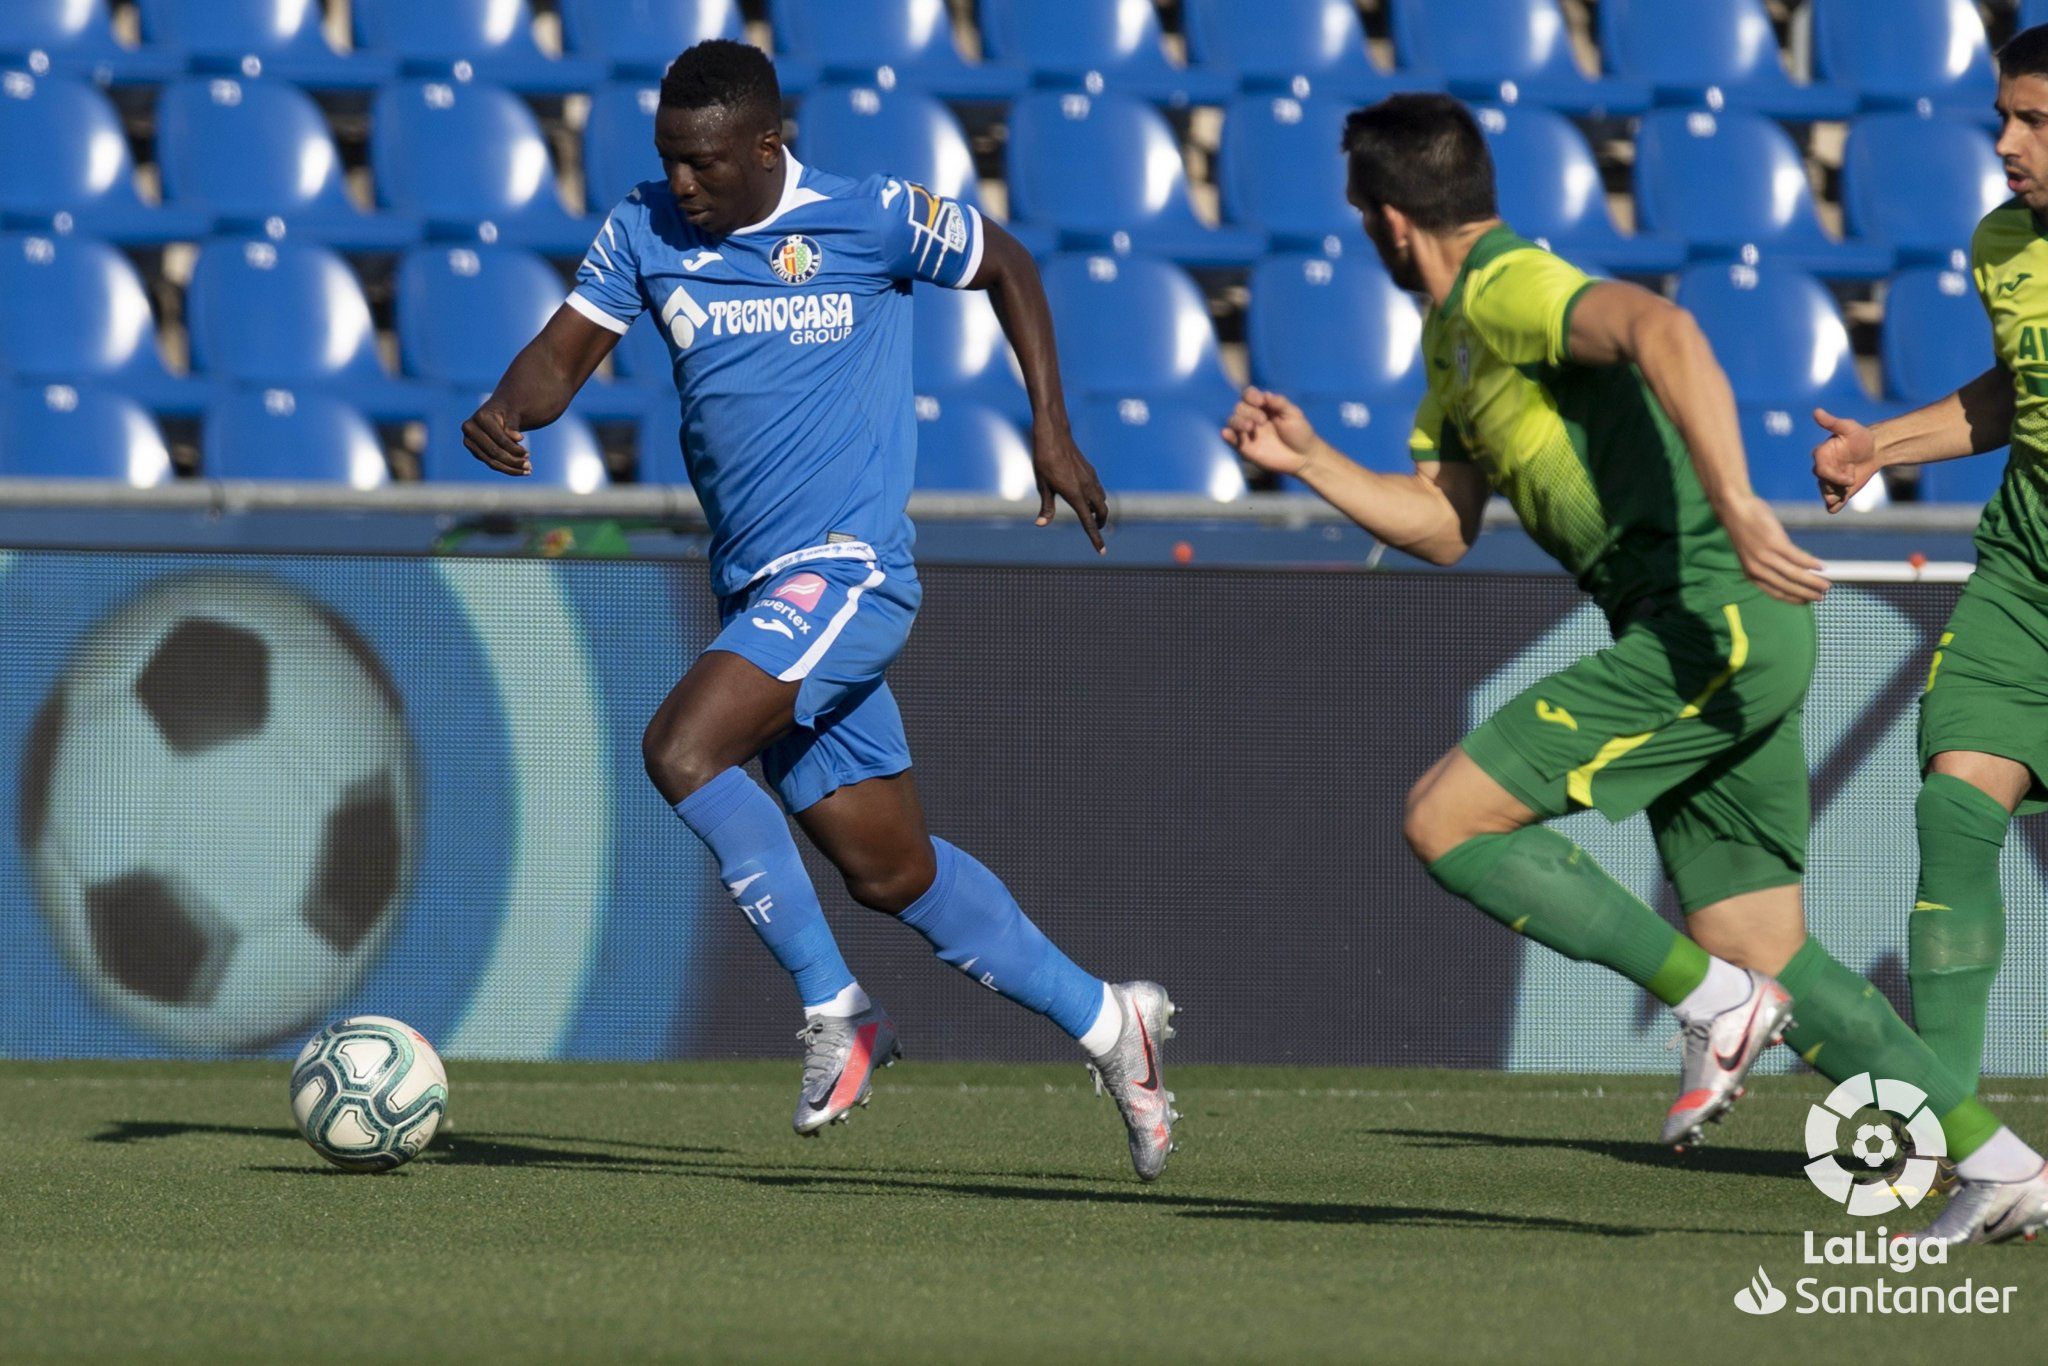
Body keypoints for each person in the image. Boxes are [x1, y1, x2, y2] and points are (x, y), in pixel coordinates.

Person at [1225, 93, 2046, 1244]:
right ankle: (2000, 1164)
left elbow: (1663, 330)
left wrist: (1734, 508)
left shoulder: (1509, 285)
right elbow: (1440, 524)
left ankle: (1717, 1010)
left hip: (1707, 622)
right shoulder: (1451, 338)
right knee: (1760, 944)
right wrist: (1308, 460)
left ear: (1386, 220)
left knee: (1445, 822)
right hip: (1698, 630)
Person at [463, 41, 1178, 1181]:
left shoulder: (868, 217)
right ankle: (1111, 1025)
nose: (681, 183)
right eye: (667, 161)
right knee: (888, 871)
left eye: (701, 163)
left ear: (765, 145)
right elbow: (563, 356)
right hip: (759, 590)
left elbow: (1010, 265)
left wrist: (1050, 424)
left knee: (682, 748)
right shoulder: (641, 231)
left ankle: (834, 1008)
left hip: (847, 571)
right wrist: (505, 409)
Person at [1812, 26, 2048, 1241]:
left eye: (2037, 123)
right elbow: (2017, 390)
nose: (2006, 144)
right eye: (2002, 118)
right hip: (2024, 569)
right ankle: (1965, 1148)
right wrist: (1878, 448)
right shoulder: (2001, 245)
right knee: (1955, 805)